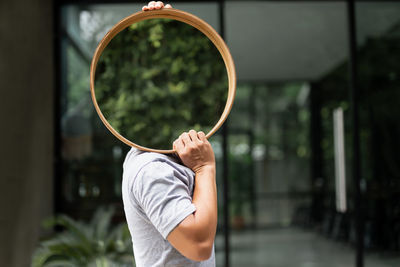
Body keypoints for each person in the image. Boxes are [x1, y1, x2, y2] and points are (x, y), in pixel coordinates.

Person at [122, 3, 217, 266]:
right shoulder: (153, 169)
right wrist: (204, 168)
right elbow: (199, 245)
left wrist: (170, 26)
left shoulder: (169, 155)